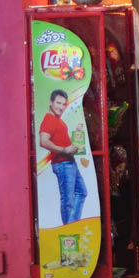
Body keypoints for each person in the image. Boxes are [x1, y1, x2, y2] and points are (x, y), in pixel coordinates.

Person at [39, 89, 87, 226]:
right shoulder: (49, 119)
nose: (61, 107)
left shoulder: (57, 120)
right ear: (51, 102)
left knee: (82, 192)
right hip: (63, 164)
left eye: (63, 104)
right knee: (68, 200)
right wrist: (64, 150)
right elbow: (43, 141)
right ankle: (69, 229)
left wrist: (76, 136)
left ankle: (72, 224)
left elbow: (61, 140)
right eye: (58, 103)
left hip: (69, 162)